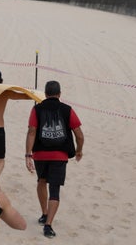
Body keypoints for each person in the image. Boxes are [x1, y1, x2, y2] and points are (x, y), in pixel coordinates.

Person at [25, 80, 84, 239]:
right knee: (55, 189)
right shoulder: (67, 110)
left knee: (41, 181)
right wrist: (79, 151)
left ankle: (44, 213)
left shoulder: (37, 109)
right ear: (59, 94)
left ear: (45, 94)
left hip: (40, 154)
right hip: (60, 155)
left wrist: (28, 154)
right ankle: (48, 225)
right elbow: (79, 135)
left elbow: (32, 131)